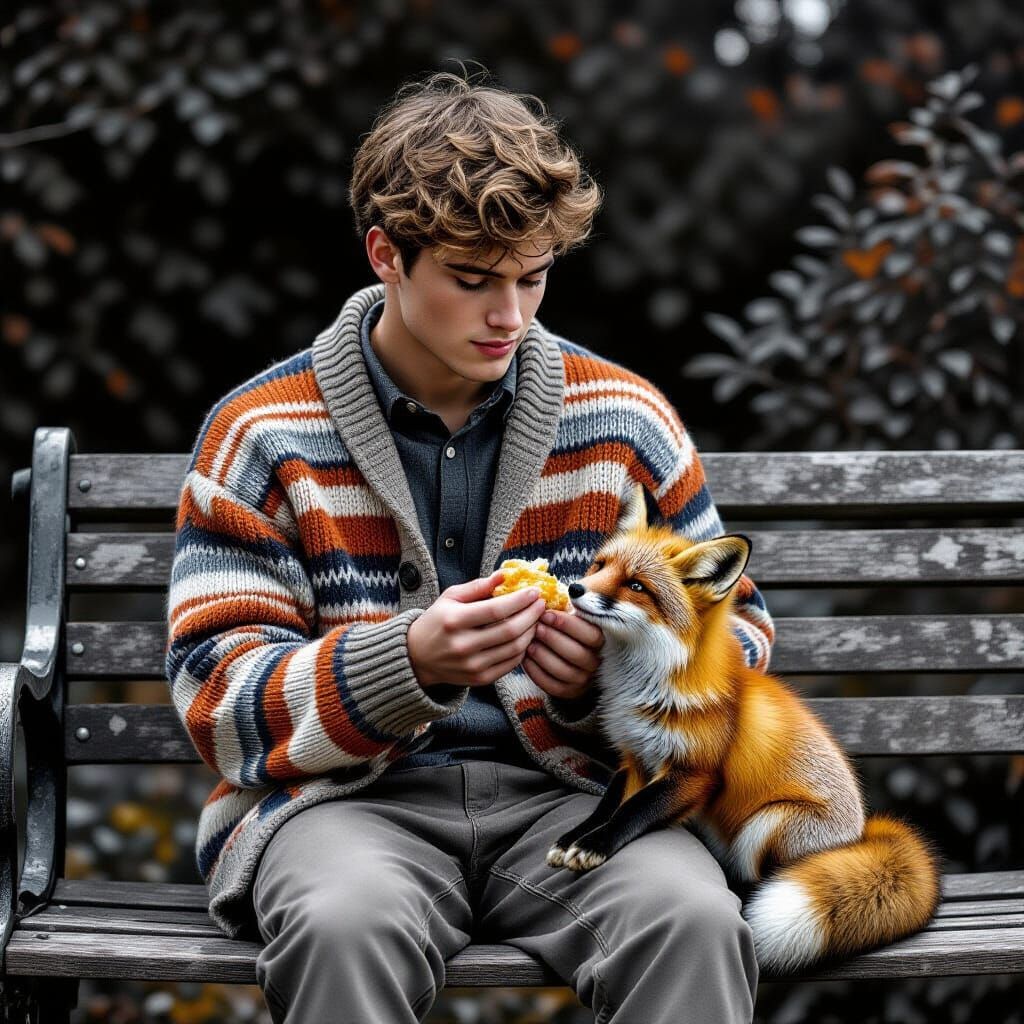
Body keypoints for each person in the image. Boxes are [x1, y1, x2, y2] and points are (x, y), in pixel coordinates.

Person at [165, 67, 775, 1024]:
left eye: (533, 277)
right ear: (386, 256)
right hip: (341, 811)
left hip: (579, 802)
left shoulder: (624, 420)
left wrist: (608, 677)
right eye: (473, 280)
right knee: (343, 925)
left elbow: (741, 644)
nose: (511, 316)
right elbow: (218, 701)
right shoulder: (262, 434)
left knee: (691, 920)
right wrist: (405, 662)